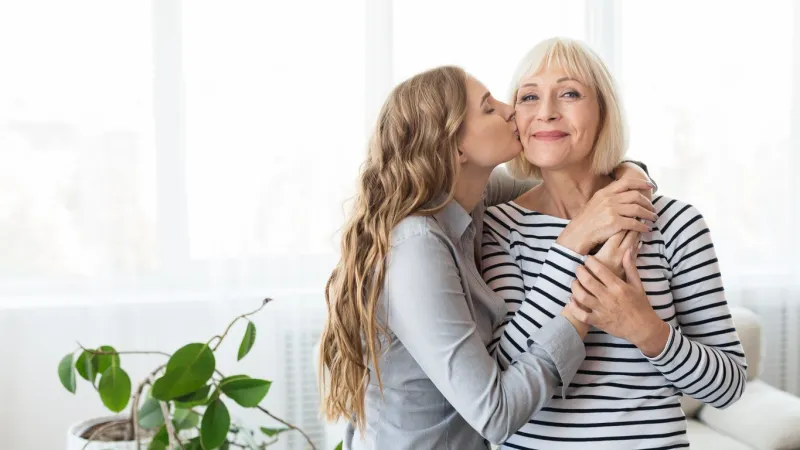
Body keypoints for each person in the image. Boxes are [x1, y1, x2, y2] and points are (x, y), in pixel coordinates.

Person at [318, 65, 656, 449]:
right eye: (488, 108)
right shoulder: (416, 246)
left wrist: (630, 174)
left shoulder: (468, 197)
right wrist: (581, 302)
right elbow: (496, 414)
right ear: (456, 147)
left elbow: (573, 184)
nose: (510, 108)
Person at [482, 37, 746, 449]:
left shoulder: (675, 223)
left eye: (569, 93)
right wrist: (572, 243)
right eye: (529, 96)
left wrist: (647, 331)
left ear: (604, 112)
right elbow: (500, 374)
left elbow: (728, 387)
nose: (547, 111)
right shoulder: (497, 227)